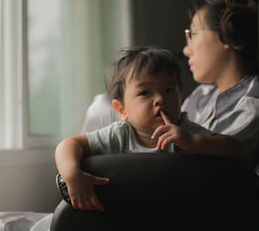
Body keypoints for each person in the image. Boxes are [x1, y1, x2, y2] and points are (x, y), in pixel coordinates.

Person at [81, 0, 259, 168]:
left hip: (177, 184)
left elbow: (215, 170)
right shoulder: (203, 94)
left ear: (228, 33)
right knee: (102, 105)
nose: (186, 50)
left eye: (193, 35)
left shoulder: (249, 108)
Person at [55, 45, 244, 212]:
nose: (160, 99)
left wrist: (193, 142)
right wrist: (72, 174)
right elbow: (69, 144)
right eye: (145, 92)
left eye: (169, 90)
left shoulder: (185, 130)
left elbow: (236, 148)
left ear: (180, 97)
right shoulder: (120, 134)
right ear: (122, 110)